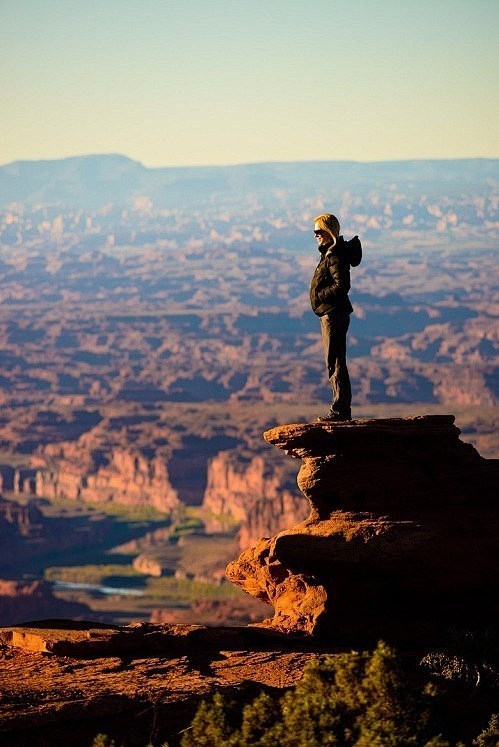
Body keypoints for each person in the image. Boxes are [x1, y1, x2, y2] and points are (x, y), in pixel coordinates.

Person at [309, 213, 362, 422]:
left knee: (336, 361)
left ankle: (340, 410)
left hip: (333, 314)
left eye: (319, 231)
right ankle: (341, 408)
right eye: (314, 233)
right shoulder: (329, 254)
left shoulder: (334, 256)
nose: (316, 236)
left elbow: (342, 285)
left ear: (329, 231)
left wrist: (320, 297)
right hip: (331, 314)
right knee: (335, 360)